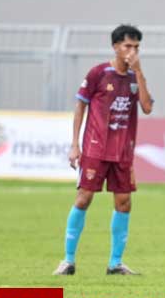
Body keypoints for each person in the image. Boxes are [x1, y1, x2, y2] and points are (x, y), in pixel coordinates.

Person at [53, 25, 153, 276]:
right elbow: (80, 107)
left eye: (136, 47)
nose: (132, 51)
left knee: (123, 203)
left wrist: (139, 72)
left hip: (123, 153)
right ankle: (67, 260)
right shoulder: (99, 73)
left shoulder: (135, 78)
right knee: (83, 198)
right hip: (96, 150)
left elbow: (147, 106)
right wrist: (75, 144)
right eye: (128, 46)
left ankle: (115, 263)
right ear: (115, 47)